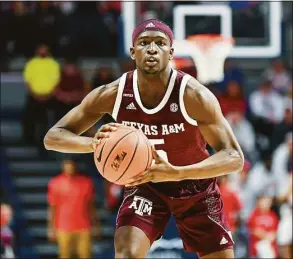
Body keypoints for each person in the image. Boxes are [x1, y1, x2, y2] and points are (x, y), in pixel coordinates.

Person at [44, 19, 244, 258]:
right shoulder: (114, 94)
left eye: (160, 43)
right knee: (127, 252)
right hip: (145, 183)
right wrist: (95, 144)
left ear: (171, 52)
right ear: (132, 52)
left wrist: (178, 172)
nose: (151, 49)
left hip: (195, 185)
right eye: (144, 43)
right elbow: (53, 137)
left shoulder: (194, 95)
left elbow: (234, 157)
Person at [47, 159, 100, 259]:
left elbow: (91, 207)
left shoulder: (86, 182)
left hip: (84, 226)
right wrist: (51, 228)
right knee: (65, 255)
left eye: (71, 165)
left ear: (75, 166)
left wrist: (96, 225)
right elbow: (52, 207)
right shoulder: (55, 183)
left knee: (86, 255)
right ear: (63, 166)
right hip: (63, 226)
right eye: (67, 164)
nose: (69, 167)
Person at [23, 44, 60, 147]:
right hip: (34, 97)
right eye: (41, 48)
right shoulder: (31, 63)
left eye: (44, 48)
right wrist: (35, 95)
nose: (42, 50)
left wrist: (48, 95)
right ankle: (29, 141)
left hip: (50, 97)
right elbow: (27, 81)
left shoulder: (53, 64)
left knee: (48, 121)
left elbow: (57, 81)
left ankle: (47, 143)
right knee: (29, 119)